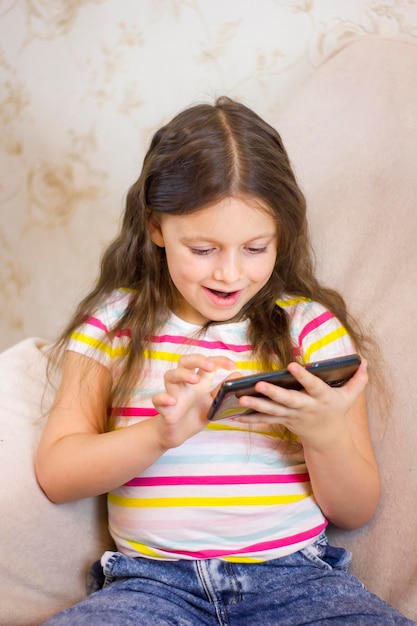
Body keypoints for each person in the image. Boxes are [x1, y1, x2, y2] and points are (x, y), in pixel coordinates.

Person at [36, 96, 415, 625]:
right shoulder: (114, 322)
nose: (229, 275)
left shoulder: (309, 328)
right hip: (151, 586)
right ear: (155, 227)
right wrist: (160, 435)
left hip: (299, 581)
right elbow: (57, 473)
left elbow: (355, 511)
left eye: (255, 248)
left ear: (282, 235)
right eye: (203, 249)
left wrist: (324, 433)